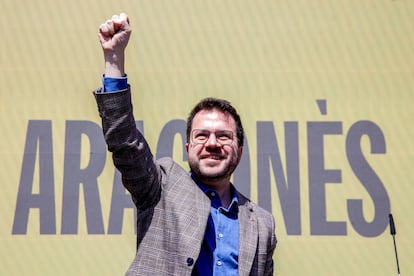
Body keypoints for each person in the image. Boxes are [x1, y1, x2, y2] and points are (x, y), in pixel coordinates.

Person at [94, 13, 277, 276]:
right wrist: (114, 59)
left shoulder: (262, 223)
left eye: (224, 136)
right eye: (202, 136)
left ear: (240, 151)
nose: (212, 143)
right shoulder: (162, 187)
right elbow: (125, 141)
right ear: (188, 147)